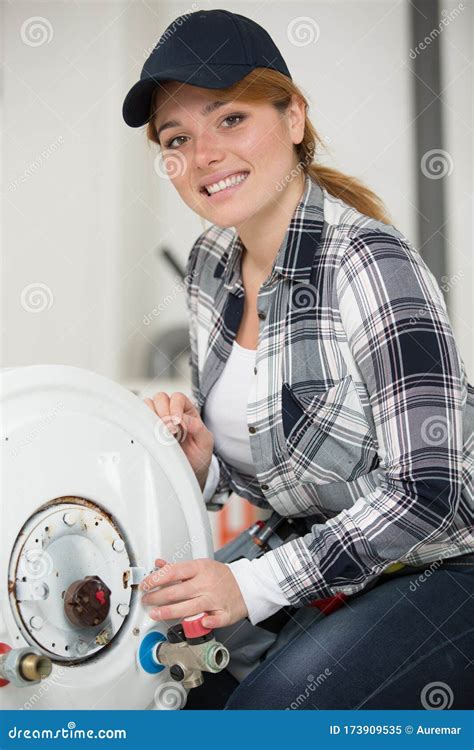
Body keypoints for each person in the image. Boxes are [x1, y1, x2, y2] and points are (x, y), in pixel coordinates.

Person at [122, 9, 474, 709]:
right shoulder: (210, 267)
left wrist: (250, 586)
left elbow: (434, 491)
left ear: (293, 117)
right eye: (178, 139)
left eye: (230, 120)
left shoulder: (368, 260)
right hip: (319, 558)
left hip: (440, 566)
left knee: (267, 714)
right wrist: (203, 463)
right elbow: (285, 470)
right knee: (156, 687)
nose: (204, 156)